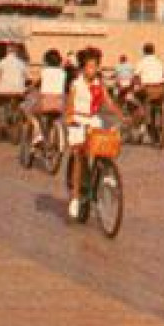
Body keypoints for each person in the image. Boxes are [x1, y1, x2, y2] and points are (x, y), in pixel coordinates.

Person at [65, 48, 121, 222]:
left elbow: (108, 103)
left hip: (93, 121)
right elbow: (70, 104)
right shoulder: (76, 84)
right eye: (89, 66)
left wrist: (121, 116)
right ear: (83, 68)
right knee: (79, 155)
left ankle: (105, 174)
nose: (92, 70)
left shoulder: (99, 84)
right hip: (78, 121)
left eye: (95, 66)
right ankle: (75, 197)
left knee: (104, 147)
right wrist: (69, 118)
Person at [29, 48, 69, 146]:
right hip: (60, 103)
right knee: (53, 116)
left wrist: (29, 88)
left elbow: (36, 83)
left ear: (46, 61)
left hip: (45, 102)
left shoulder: (44, 71)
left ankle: (38, 134)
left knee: (31, 113)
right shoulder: (63, 73)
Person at [0, 45, 30, 132]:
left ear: (7, 52)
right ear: (16, 52)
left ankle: (2, 125)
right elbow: (28, 77)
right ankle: (20, 116)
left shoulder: (2, 62)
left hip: (3, 91)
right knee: (20, 102)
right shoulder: (21, 63)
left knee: (1, 105)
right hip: (19, 91)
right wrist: (26, 86)